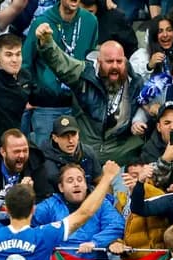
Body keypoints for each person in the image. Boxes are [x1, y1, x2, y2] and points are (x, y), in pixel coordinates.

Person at [36, 23, 148, 166]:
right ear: (99, 62)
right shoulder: (84, 74)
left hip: (121, 156)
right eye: (109, 61)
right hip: (86, 153)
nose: (115, 66)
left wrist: (139, 120)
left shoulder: (136, 83)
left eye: (119, 61)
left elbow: (146, 106)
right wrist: (47, 42)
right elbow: (61, 64)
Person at [22, 0, 99, 143]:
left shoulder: (90, 21)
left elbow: (91, 60)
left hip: (78, 106)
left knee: (76, 153)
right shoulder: (42, 22)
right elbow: (26, 62)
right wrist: (29, 94)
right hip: (47, 106)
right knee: (46, 153)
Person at [32, 164, 124, 259]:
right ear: (61, 187)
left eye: (80, 180)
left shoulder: (102, 203)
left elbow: (116, 225)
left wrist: (95, 243)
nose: (76, 184)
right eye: (70, 181)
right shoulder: (50, 205)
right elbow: (28, 223)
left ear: (86, 184)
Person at [39, 114, 103, 189]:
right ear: (55, 138)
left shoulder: (88, 152)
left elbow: (99, 181)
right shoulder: (44, 160)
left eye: (73, 134)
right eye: (64, 136)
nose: (70, 140)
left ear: (78, 135)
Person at [129, 16, 173, 81]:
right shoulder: (141, 56)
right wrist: (148, 66)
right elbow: (133, 80)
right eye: (160, 31)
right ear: (153, 35)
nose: (165, 35)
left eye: (169, 30)